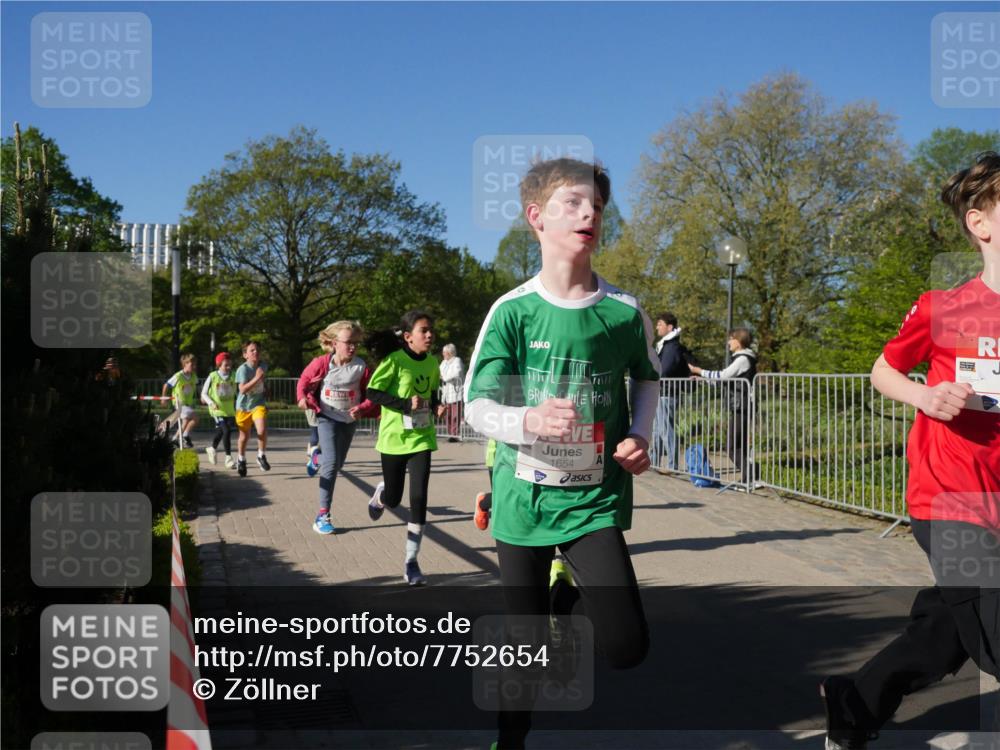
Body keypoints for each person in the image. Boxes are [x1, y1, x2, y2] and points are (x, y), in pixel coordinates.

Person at [464, 158, 660, 749]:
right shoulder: (512, 311)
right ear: (536, 218)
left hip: (593, 500)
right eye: (573, 203)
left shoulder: (624, 311)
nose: (589, 213)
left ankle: (562, 597)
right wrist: (527, 418)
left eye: (597, 205)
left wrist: (643, 435)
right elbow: (475, 404)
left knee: (627, 648)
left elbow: (647, 380)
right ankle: (510, 738)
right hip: (522, 501)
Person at [818, 152, 1000, 750]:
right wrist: (927, 396)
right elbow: (882, 370)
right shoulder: (944, 309)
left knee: (946, 633)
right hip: (950, 496)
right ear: (981, 223)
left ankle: (855, 703)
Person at [364, 311, 444, 585]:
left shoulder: (433, 362)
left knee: (419, 498)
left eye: (431, 330)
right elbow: (373, 392)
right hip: (394, 439)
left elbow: (432, 392)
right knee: (395, 499)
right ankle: (382, 493)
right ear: (408, 337)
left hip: (422, 437)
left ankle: (411, 561)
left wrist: (437, 405)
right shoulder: (394, 361)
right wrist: (404, 405)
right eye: (424, 330)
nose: (430, 335)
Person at [296, 321, 378, 535]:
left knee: (337, 464)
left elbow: (372, 394)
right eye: (348, 343)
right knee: (331, 464)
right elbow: (303, 381)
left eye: (355, 343)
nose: (352, 347)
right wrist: (302, 398)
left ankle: (316, 458)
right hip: (326, 417)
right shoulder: (322, 363)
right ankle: (323, 515)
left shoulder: (361, 367)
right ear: (334, 343)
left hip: (349, 420)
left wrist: (363, 407)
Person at [688, 328, 757, 484]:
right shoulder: (741, 358)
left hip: (743, 407)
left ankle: (752, 474)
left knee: (732, 447)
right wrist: (703, 380)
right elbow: (725, 381)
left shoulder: (743, 359)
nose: (728, 342)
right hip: (741, 406)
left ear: (739, 341)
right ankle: (749, 476)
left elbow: (723, 375)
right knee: (738, 445)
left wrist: (700, 371)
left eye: (731, 339)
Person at [651, 312, 690, 470]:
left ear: (670, 327)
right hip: (661, 392)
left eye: (660, 324)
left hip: (667, 393)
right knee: (657, 430)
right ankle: (653, 462)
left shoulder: (672, 347)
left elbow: (664, 370)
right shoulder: (666, 345)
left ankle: (673, 465)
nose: (657, 327)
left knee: (666, 430)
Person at [235, 340, 270, 477]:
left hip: (258, 404)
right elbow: (242, 389)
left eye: (257, 350)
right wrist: (256, 378)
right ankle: (241, 459)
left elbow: (262, 380)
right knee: (244, 437)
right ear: (245, 355)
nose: (256, 352)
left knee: (261, 429)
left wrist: (266, 388)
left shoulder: (263, 366)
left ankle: (261, 455)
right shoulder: (242, 369)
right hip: (243, 407)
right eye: (252, 350)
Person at [201, 352, 238, 469]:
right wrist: (211, 403)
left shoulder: (234, 375)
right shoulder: (213, 376)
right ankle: (228, 458)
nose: (228, 367)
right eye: (225, 365)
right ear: (219, 365)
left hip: (230, 410)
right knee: (227, 431)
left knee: (222, 432)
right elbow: (204, 393)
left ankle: (212, 448)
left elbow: (237, 392)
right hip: (217, 410)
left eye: (230, 365)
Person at [162, 353, 199, 448]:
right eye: (192, 365)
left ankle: (176, 438)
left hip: (188, 403)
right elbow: (166, 385)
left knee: (187, 421)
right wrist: (163, 397)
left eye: (195, 364)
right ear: (185, 364)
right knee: (194, 418)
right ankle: (184, 435)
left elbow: (197, 387)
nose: (194, 367)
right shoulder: (178, 376)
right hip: (179, 403)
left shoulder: (194, 376)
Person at [439, 343, 465, 442]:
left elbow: (457, 373)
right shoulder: (444, 362)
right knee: (448, 415)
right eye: (443, 352)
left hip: (455, 391)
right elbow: (440, 372)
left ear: (450, 352)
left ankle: (455, 434)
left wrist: (445, 377)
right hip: (446, 392)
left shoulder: (457, 360)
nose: (443, 354)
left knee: (455, 415)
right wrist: (444, 376)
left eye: (445, 352)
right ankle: (450, 433)